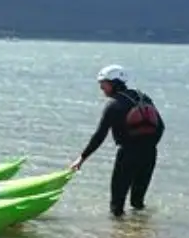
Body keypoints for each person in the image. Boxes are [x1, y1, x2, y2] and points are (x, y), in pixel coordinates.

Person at [70, 64, 165, 218]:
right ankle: (139, 233)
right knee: (137, 203)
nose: (101, 88)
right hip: (150, 154)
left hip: (127, 155)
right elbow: (161, 127)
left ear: (114, 83)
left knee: (117, 206)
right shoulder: (144, 98)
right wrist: (148, 145)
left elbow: (99, 136)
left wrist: (81, 158)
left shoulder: (114, 105)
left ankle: (119, 236)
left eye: (103, 84)